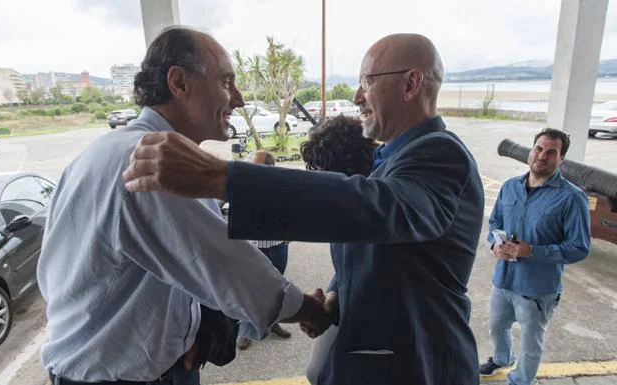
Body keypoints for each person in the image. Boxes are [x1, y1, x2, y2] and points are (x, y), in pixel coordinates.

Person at [123, 33, 485, 385]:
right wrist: (335, 295)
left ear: (411, 84)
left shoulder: (439, 154)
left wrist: (224, 178)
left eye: (366, 81)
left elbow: (378, 209)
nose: (357, 96)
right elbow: (378, 247)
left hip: (414, 369)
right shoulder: (392, 158)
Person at [37, 27, 332, 385]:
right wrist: (310, 309)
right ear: (178, 83)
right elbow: (232, 271)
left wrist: (187, 331)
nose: (238, 99)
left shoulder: (102, 151)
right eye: (227, 82)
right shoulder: (150, 165)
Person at [479, 128, 591, 385]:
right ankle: (501, 358)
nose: (542, 156)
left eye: (551, 152)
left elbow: (579, 247)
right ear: (531, 151)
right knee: (497, 327)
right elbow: (495, 221)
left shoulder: (572, 198)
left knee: (531, 344)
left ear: (561, 158)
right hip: (503, 280)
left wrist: (531, 251)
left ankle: (520, 381)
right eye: (538, 148)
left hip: (537, 289)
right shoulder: (510, 187)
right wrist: (494, 245)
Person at [299, 115, 378, 384]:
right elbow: (346, 265)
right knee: (316, 372)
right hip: (346, 300)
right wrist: (332, 295)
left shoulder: (375, 206)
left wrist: (332, 307)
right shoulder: (342, 207)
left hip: (379, 324)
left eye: (322, 171)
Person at [236, 150, 293, 350]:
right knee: (248, 289)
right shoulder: (242, 187)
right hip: (251, 249)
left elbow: (293, 210)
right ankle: (245, 329)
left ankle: (273, 323)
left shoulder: (280, 187)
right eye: (250, 162)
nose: (250, 167)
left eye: (256, 164)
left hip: (276, 248)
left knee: (277, 289)